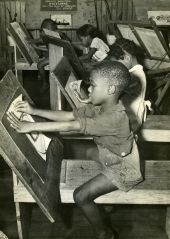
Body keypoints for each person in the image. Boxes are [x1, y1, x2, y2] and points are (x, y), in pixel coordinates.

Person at [7, 61, 143, 239]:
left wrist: (31, 126)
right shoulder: (100, 106)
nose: (88, 90)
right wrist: (35, 110)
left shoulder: (115, 118)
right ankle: (106, 206)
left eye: (93, 86)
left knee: (80, 196)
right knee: (79, 151)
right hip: (109, 155)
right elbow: (70, 115)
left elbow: (73, 125)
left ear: (110, 90)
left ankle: (105, 234)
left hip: (124, 169)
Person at [107, 38, 148, 133]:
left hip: (130, 124)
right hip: (127, 118)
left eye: (117, 64)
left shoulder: (134, 76)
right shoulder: (134, 73)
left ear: (127, 58)